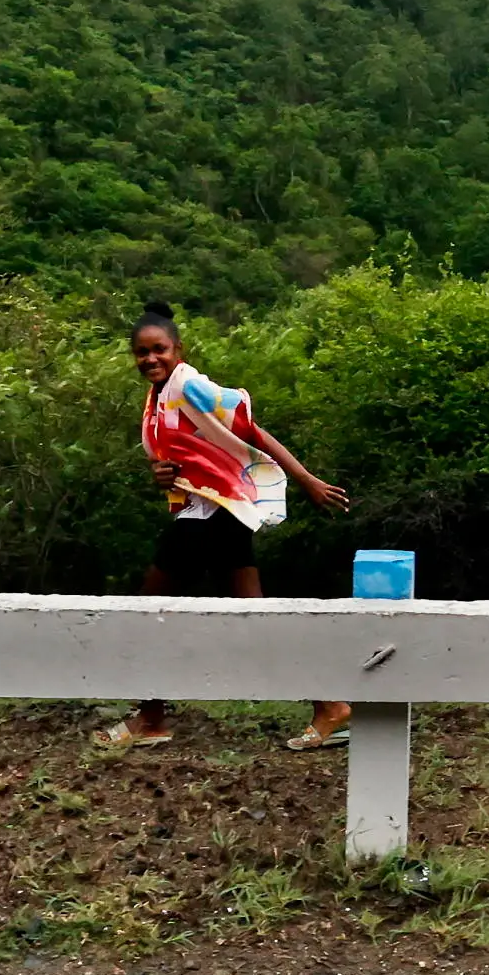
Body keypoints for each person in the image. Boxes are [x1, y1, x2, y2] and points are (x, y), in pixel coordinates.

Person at [94, 302, 354, 752]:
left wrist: (307, 480)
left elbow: (251, 430)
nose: (150, 359)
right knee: (256, 621)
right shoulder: (158, 397)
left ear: (178, 350)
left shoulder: (189, 383)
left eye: (159, 349)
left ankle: (151, 719)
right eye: (141, 352)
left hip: (209, 520)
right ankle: (330, 706)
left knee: (147, 614)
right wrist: (161, 476)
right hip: (217, 516)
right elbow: (186, 461)